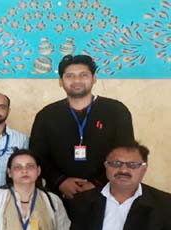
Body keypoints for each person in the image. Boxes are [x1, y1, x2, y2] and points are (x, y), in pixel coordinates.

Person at [29, 54, 134, 212]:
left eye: (83, 75)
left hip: (108, 194)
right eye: (70, 76)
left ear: (94, 78)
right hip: (59, 196)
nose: (77, 80)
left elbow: (127, 153)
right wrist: (60, 182)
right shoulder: (47, 115)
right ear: (60, 81)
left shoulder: (116, 111)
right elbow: (37, 155)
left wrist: (96, 184)